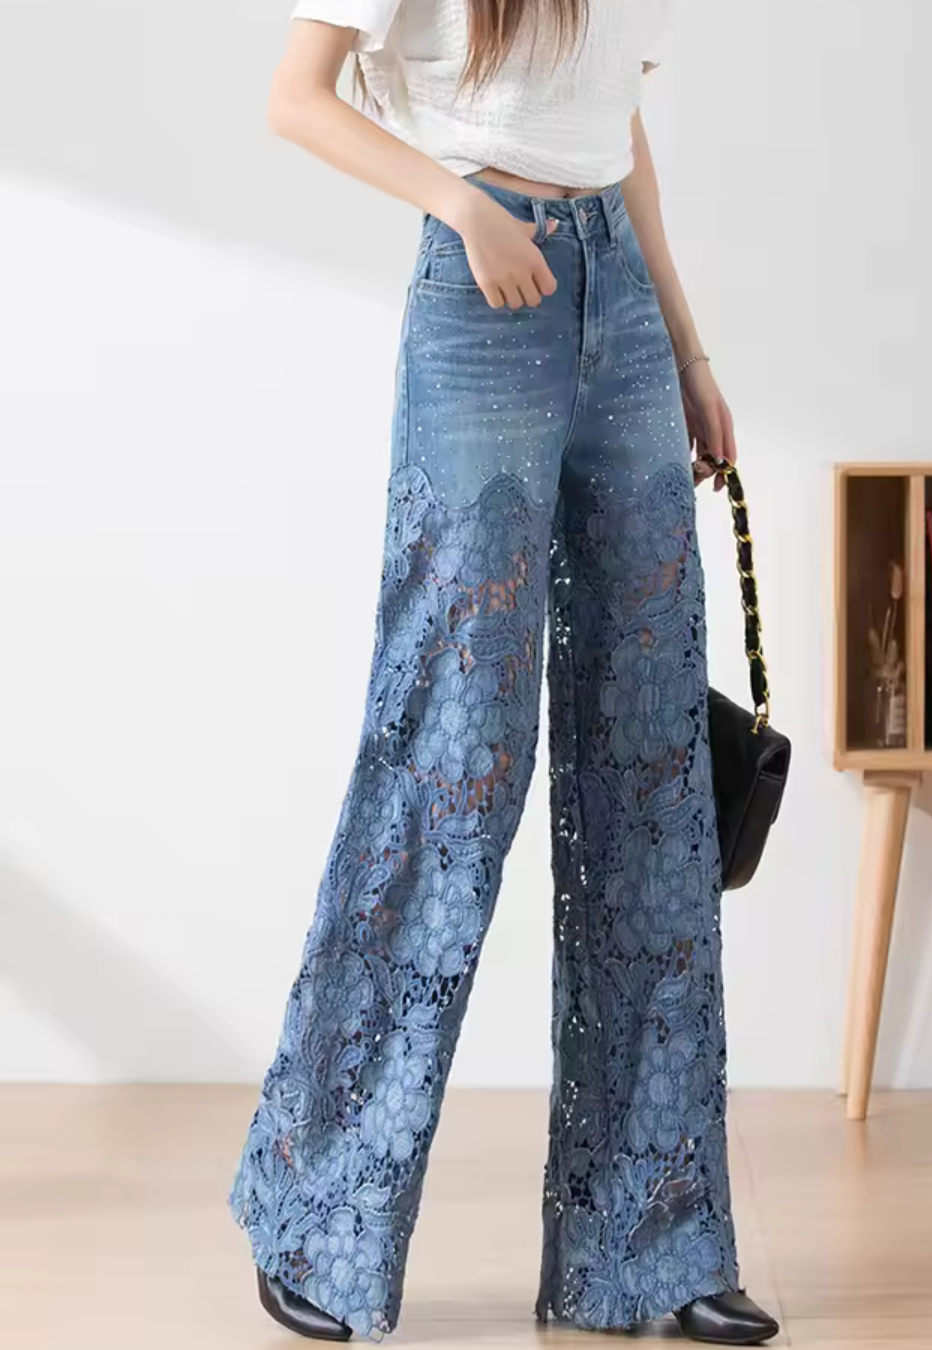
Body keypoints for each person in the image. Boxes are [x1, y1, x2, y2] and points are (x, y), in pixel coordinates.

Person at [228, 1, 779, 1344]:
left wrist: (689, 350)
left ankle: (653, 1245)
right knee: (449, 762)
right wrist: (461, 205)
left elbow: (616, 129)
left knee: (651, 774)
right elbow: (295, 95)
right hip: (480, 303)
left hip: (624, 318)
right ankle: (318, 1214)